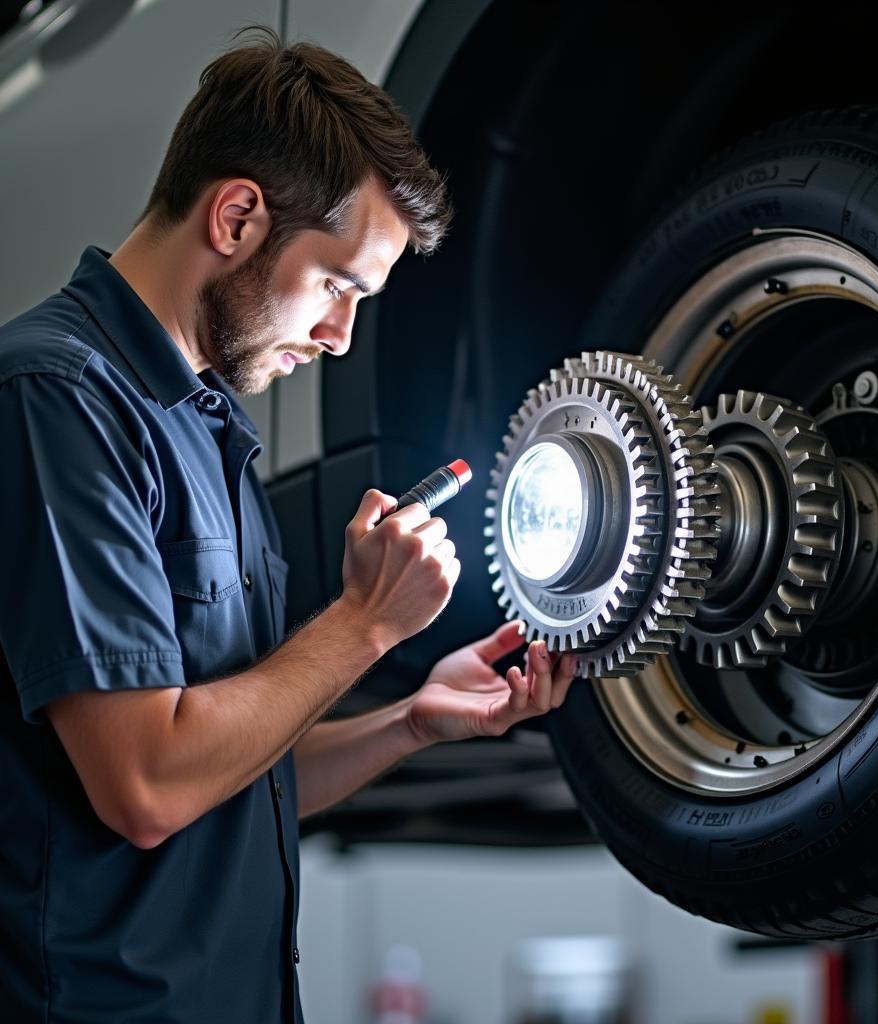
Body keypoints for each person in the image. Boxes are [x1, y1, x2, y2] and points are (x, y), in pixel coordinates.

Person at [0, 27, 576, 1024]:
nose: (341, 334)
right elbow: (147, 785)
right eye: (338, 285)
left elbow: (230, 784)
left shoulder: (211, 429)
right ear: (235, 215)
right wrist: (365, 625)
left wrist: (410, 719)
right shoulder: (56, 400)